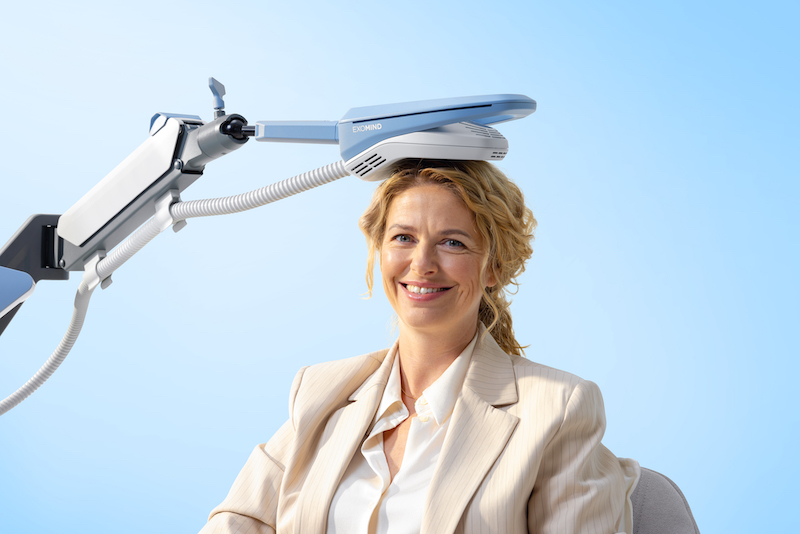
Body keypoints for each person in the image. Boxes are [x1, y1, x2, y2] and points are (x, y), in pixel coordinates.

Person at [199, 160, 640, 534]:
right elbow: (237, 520)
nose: (422, 264)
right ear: (379, 250)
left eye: (453, 242)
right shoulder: (321, 390)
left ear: (494, 267)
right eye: (403, 238)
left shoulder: (557, 410)